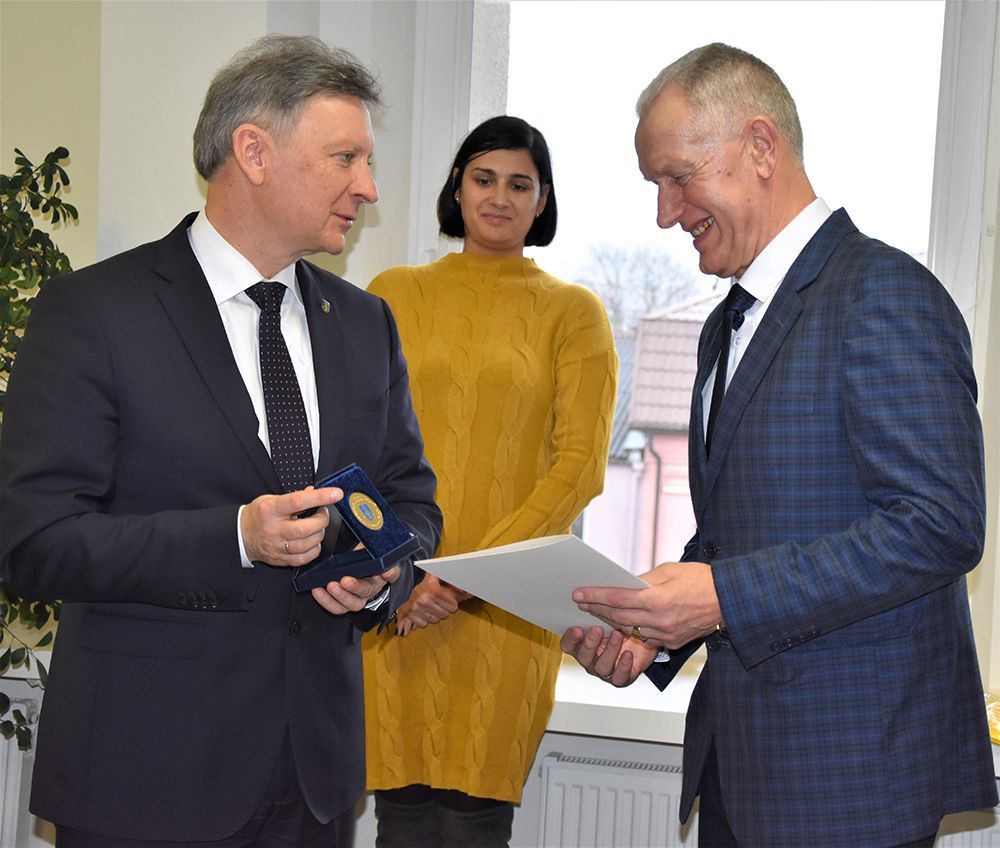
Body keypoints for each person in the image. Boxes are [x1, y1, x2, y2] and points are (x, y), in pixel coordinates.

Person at [0, 35, 442, 846]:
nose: (368, 187)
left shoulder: (365, 324)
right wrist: (235, 538)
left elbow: (412, 501)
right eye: (345, 158)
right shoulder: (95, 313)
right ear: (254, 152)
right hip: (145, 776)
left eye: (368, 162)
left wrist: (383, 574)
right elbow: (32, 542)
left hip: (313, 783)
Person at [561, 43, 998, 848]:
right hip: (739, 765)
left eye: (677, 177)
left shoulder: (884, 294)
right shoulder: (725, 326)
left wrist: (721, 597)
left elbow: (940, 525)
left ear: (760, 146)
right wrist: (650, 631)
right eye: (655, 185)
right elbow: (733, 538)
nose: (665, 213)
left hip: (850, 783)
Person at [361, 115, 617, 847]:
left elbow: (579, 467)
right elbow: (359, 445)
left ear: (543, 201)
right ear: (457, 187)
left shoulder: (574, 312)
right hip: (399, 594)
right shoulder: (392, 293)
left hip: (505, 612)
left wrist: (463, 580)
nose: (499, 197)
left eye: (519, 184)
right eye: (484, 179)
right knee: (400, 818)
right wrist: (403, 574)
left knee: (474, 822)